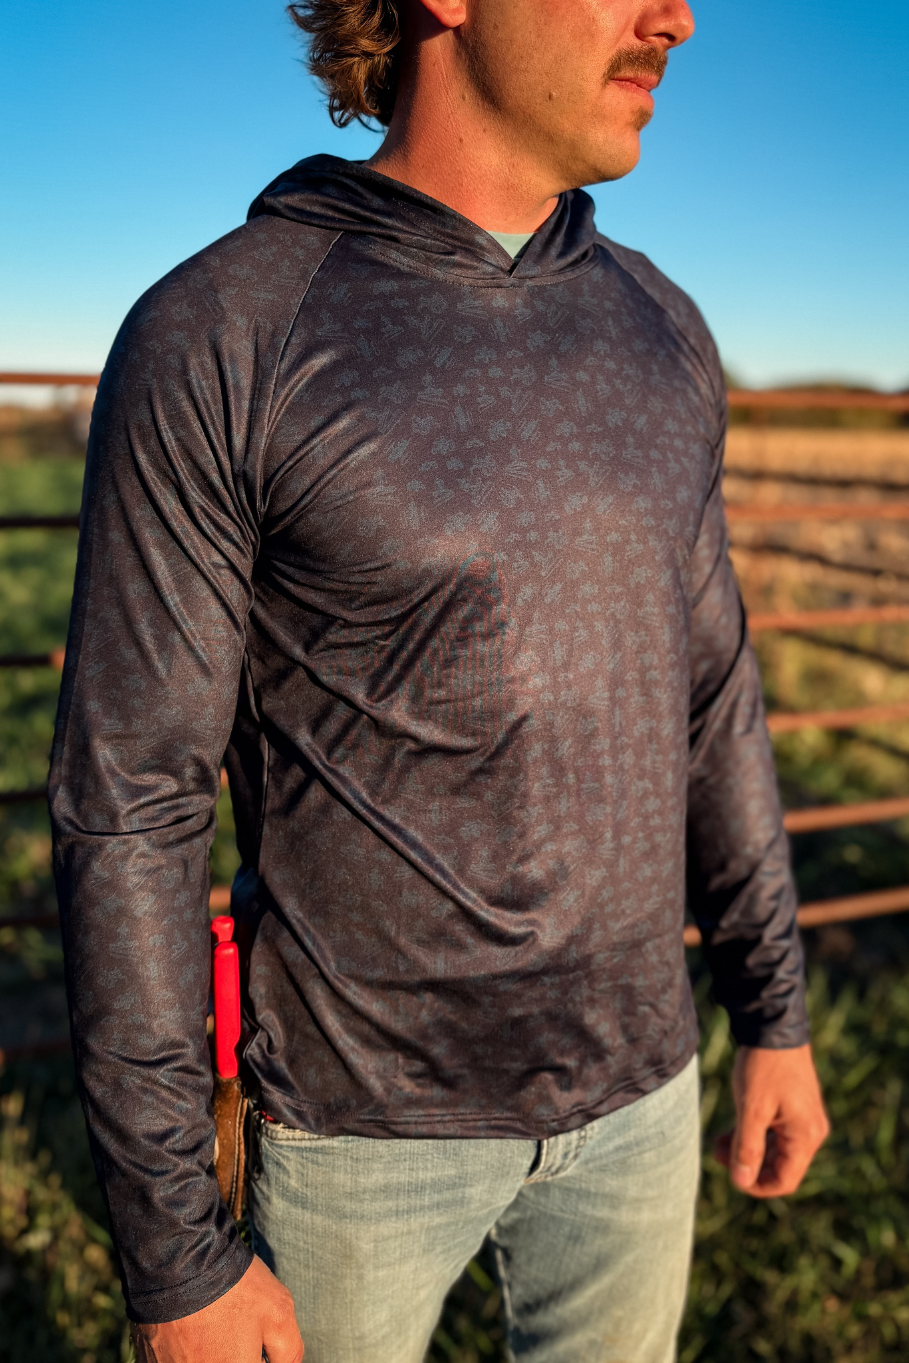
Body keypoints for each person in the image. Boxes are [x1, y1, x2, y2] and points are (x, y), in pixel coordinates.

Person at [49, 1, 830, 1360]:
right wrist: (177, 1251)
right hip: (357, 1138)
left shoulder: (665, 328)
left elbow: (713, 694)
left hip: (645, 1102)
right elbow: (131, 798)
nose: (679, 18)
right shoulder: (223, 333)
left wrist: (775, 1012)